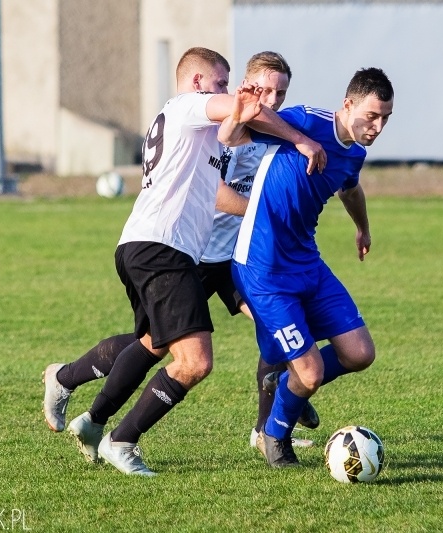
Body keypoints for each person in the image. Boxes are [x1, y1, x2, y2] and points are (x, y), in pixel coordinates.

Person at [47, 46, 325, 477]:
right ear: (199, 83)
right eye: (221, 83)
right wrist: (299, 138)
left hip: (189, 250)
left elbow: (235, 125)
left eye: (279, 94)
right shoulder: (189, 107)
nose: (264, 100)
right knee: (185, 357)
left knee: (170, 340)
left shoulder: (212, 126)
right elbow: (233, 122)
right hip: (170, 249)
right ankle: (104, 421)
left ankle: (98, 420)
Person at [219, 67, 394, 467]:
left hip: (306, 263)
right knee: (311, 373)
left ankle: (286, 385)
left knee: (359, 353)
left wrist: (362, 228)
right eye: (371, 115)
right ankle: (274, 435)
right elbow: (231, 134)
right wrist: (301, 141)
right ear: (347, 105)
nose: (378, 126)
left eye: (385, 118)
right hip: (262, 268)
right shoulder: (304, 119)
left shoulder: (355, 153)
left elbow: (349, 186)